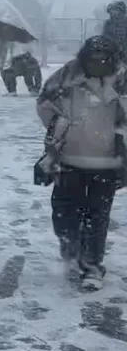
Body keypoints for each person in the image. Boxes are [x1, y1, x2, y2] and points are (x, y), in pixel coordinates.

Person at [35, 36, 127, 291]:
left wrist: (121, 139)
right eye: (93, 58)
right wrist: (59, 126)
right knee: (64, 213)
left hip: (107, 161)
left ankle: (92, 266)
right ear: (83, 58)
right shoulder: (66, 77)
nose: (98, 63)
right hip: (69, 158)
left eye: (104, 58)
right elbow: (44, 104)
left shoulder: (122, 81)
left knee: (97, 216)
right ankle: (70, 245)